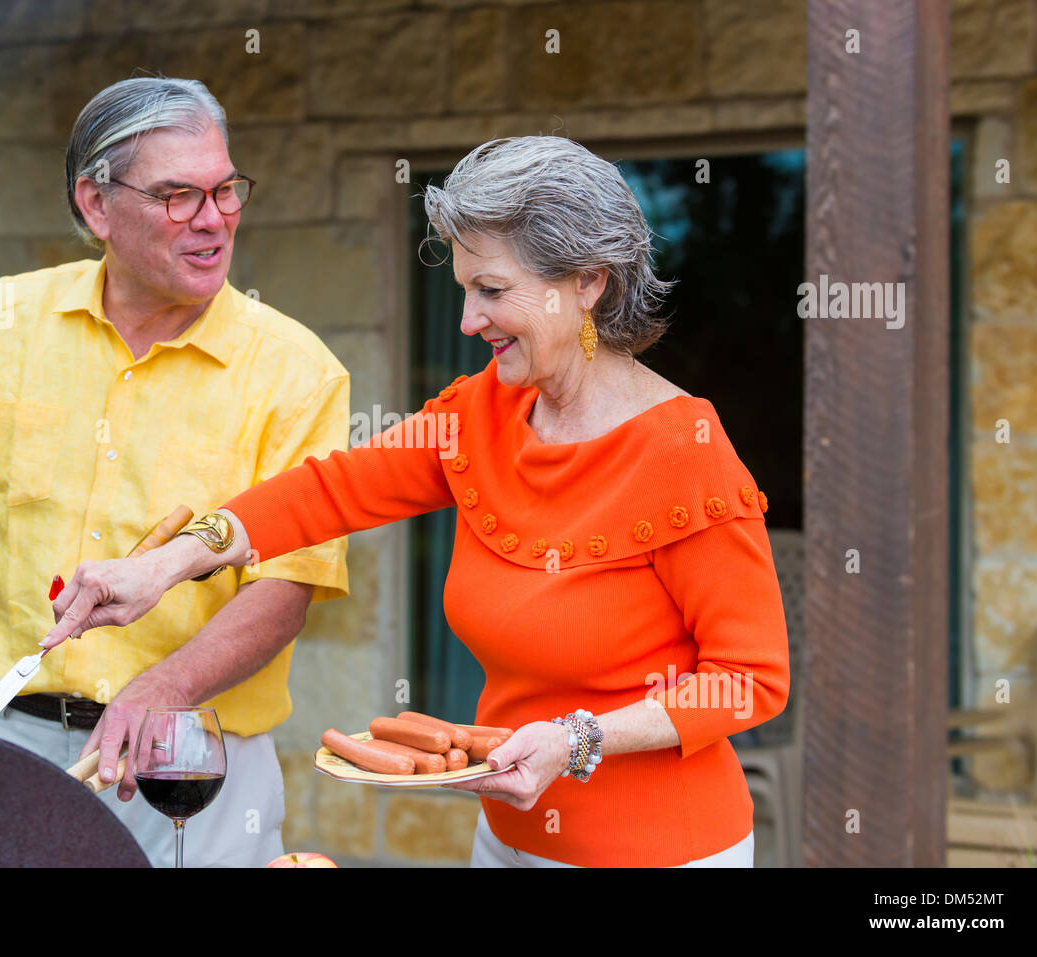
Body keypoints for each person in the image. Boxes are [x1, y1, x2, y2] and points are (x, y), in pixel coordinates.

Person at [44, 135, 790, 868]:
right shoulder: (483, 413)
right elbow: (327, 490)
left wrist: (575, 740)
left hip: (664, 852)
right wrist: (167, 564)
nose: (468, 320)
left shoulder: (685, 450)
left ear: (587, 283)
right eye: (464, 290)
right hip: (506, 841)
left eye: (492, 291)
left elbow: (751, 680)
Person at [0, 77, 350, 867]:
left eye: (223, 189)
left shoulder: (299, 372)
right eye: (177, 195)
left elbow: (284, 590)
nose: (213, 219)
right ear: (96, 204)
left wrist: (166, 687)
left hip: (194, 764)